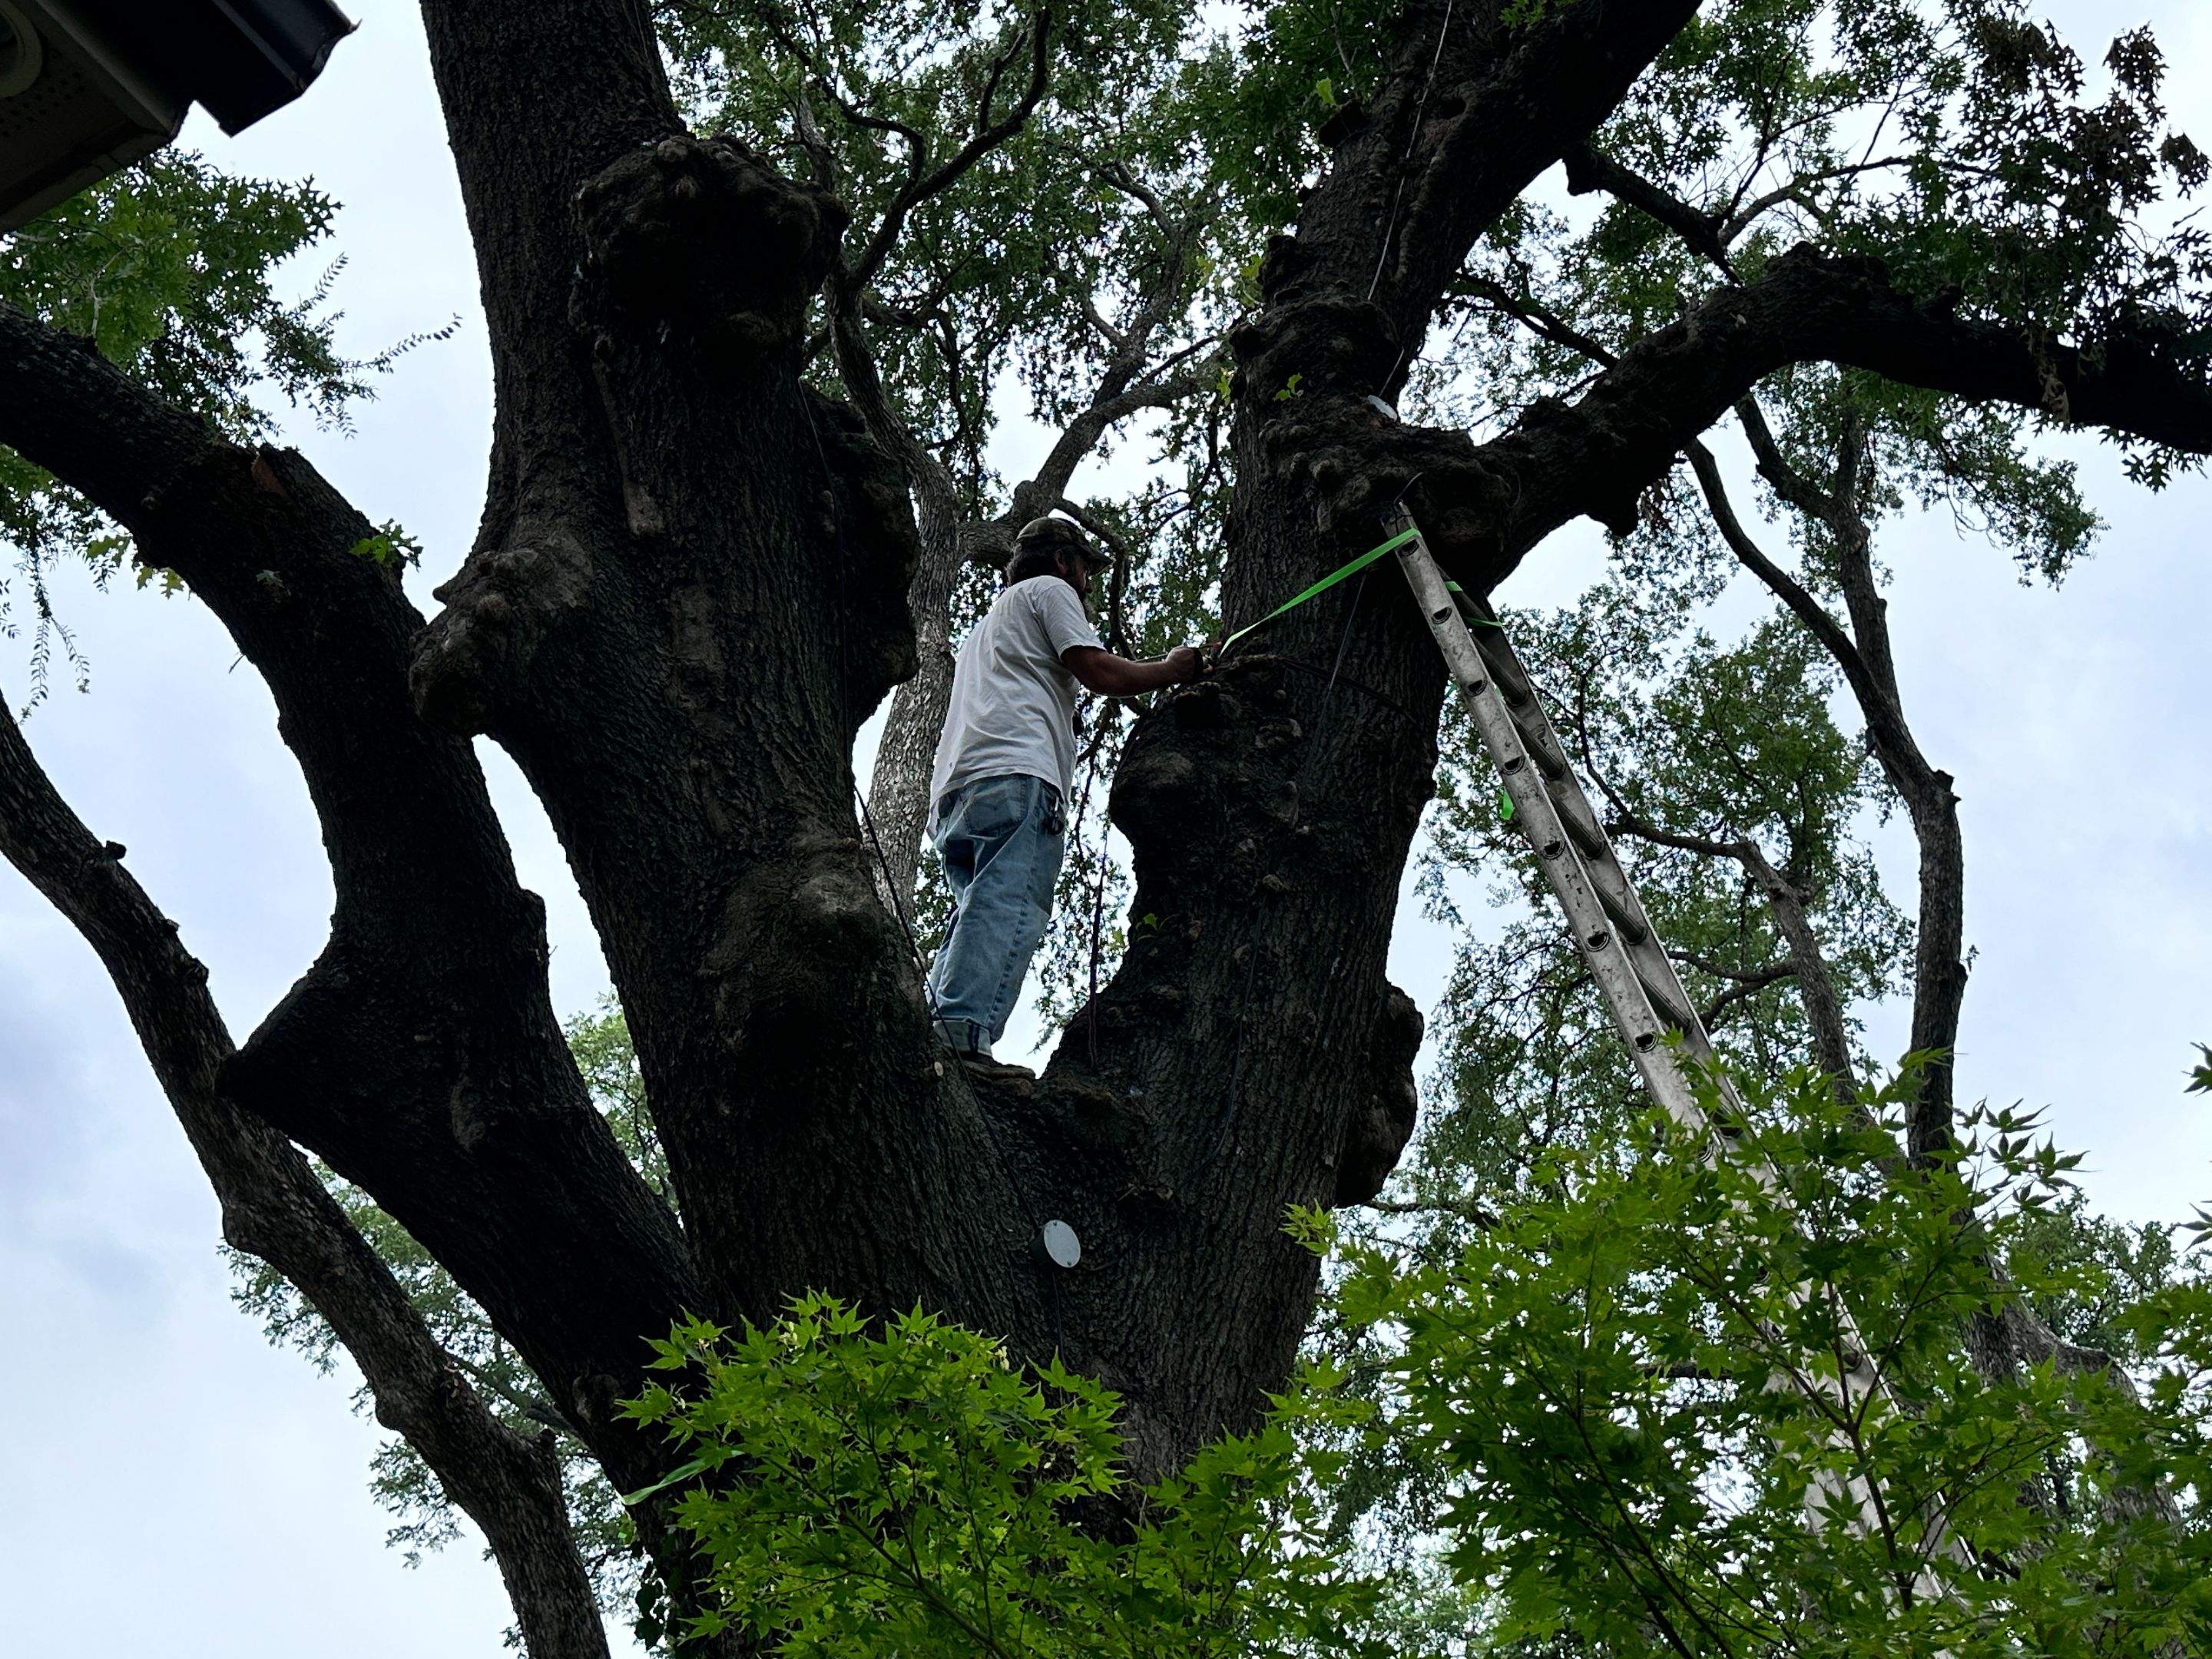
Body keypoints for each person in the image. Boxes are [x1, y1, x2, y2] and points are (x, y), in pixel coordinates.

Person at [923, 515, 1204, 1061]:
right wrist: (1173, 669)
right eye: (1086, 570)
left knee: (974, 911)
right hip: (1016, 774)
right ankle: (962, 1035)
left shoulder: (989, 626)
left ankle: (938, 1027)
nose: (1089, 584)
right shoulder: (1050, 591)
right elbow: (1099, 671)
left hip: (959, 791)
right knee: (1007, 902)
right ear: (1062, 561)